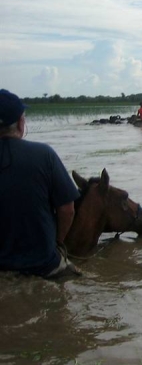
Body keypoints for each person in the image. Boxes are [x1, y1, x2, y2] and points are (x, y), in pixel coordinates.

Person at [0, 89, 81, 277]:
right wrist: (58, 244)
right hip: (42, 265)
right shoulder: (44, 154)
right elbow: (68, 209)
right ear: (21, 123)